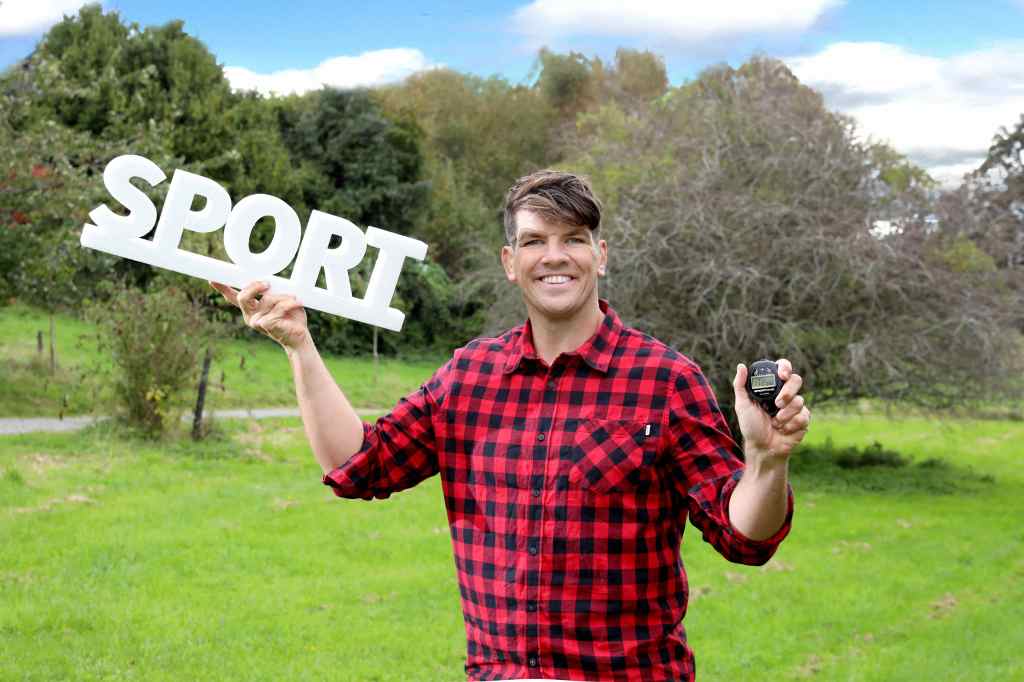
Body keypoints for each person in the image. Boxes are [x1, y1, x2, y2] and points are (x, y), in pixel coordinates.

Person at [211, 170, 810, 682]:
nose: (554, 256)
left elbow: (744, 537)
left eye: (573, 239)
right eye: (534, 241)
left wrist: (767, 462)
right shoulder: (469, 376)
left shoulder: (666, 380)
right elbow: (359, 465)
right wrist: (298, 343)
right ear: (510, 262)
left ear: (600, 255)